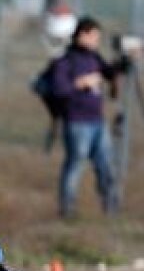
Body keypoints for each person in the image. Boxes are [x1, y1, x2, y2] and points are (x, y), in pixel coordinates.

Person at [51, 16, 124, 218]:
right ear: (82, 34)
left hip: (97, 122)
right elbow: (59, 89)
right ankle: (67, 211)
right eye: (94, 37)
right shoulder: (65, 61)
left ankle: (111, 209)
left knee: (105, 165)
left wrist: (124, 62)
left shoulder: (94, 57)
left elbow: (108, 73)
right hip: (76, 122)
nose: (96, 42)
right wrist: (80, 83)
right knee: (75, 165)